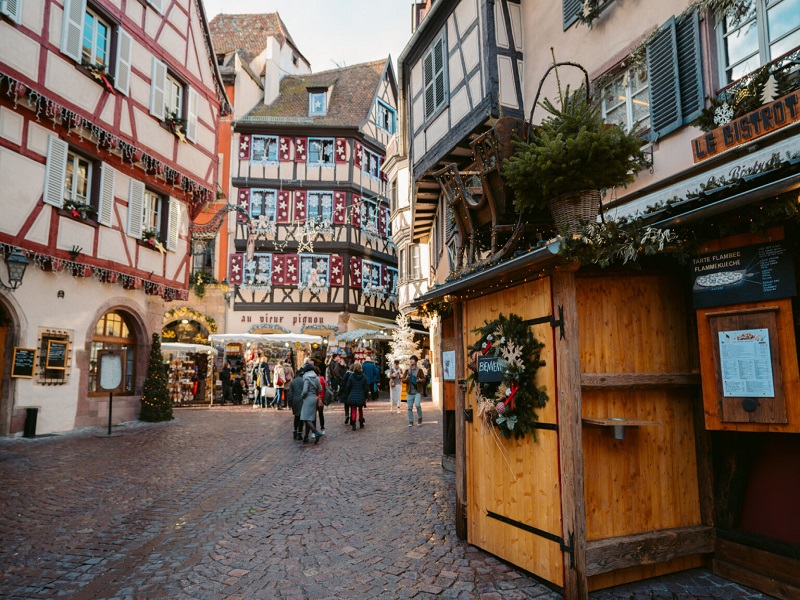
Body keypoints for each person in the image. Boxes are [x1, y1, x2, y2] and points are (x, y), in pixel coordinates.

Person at [340, 361, 370, 431]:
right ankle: (361, 421)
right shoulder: (364, 377)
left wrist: (348, 394)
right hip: (361, 395)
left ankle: (353, 423)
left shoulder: (351, 376)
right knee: (360, 409)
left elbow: (348, 386)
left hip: (352, 395)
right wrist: (366, 396)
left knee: (353, 409)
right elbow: (366, 388)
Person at [300, 361, 324, 443]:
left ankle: (316, 432)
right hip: (314, 397)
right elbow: (320, 389)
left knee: (305, 417)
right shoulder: (316, 378)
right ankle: (306, 436)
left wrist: (302, 395)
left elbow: (305, 390)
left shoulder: (306, 378)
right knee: (310, 418)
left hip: (308, 398)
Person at [404, 355, 426, 427]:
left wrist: (420, 380)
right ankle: (411, 421)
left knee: (417, 405)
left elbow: (424, 379)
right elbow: (403, 380)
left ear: (416, 361)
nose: (411, 361)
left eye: (413, 359)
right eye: (410, 359)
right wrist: (406, 379)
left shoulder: (419, 370)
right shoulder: (407, 371)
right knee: (409, 407)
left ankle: (420, 418)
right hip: (409, 392)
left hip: (417, 391)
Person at [288, 366, 307, 440]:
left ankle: (295, 431)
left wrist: (289, 404)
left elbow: (290, 394)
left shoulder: (293, 382)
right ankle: (299, 433)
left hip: (295, 401)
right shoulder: (304, 381)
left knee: (296, 416)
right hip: (302, 400)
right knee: (301, 417)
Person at [315, 366, 326, 433]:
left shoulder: (314, 379)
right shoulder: (322, 379)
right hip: (321, 398)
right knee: (321, 414)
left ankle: (314, 430)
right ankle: (322, 428)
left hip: (315, 397)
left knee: (314, 415)